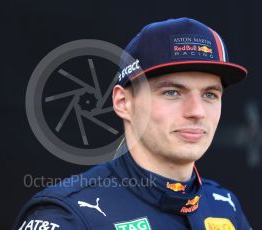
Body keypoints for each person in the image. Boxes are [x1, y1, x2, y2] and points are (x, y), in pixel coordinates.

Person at [13, 17, 252, 230]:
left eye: (210, 94)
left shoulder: (224, 206)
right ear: (123, 102)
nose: (197, 111)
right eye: (172, 92)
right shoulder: (69, 215)